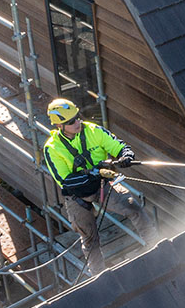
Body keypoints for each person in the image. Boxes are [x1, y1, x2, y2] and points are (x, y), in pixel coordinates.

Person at [43, 98, 157, 275]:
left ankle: (156, 245)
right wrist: (94, 172)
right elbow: (67, 182)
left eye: (77, 117)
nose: (77, 122)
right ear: (59, 126)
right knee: (89, 237)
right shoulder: (52, 149)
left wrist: (126, 155)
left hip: (103, 185)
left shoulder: (93, 131)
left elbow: (118, 146)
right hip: (77, 196)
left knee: (132, 206)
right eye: (71, 121)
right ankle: (99, 275)